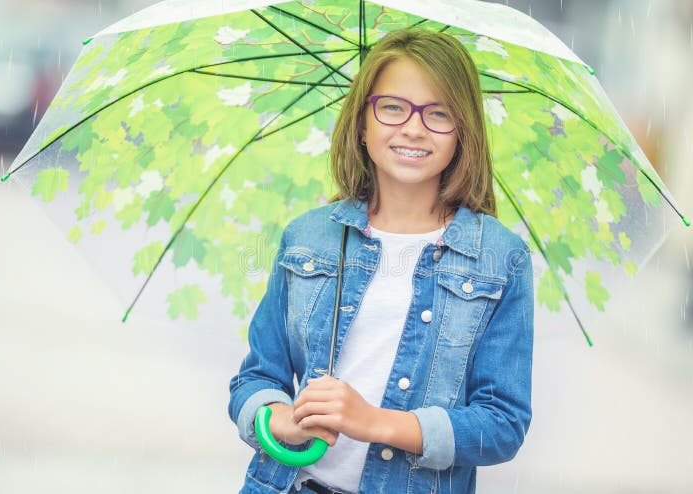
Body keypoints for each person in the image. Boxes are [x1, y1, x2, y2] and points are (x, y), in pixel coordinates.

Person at [229, 28, 534, 494]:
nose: (413, 128)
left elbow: (502, 424)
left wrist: (374, 422)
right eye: (392, 107)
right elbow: (257, 377)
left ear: (463, 131)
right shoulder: (308, 237)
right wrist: (282, 423)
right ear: (361, 122)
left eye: (438, 114)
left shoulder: (500, 258)